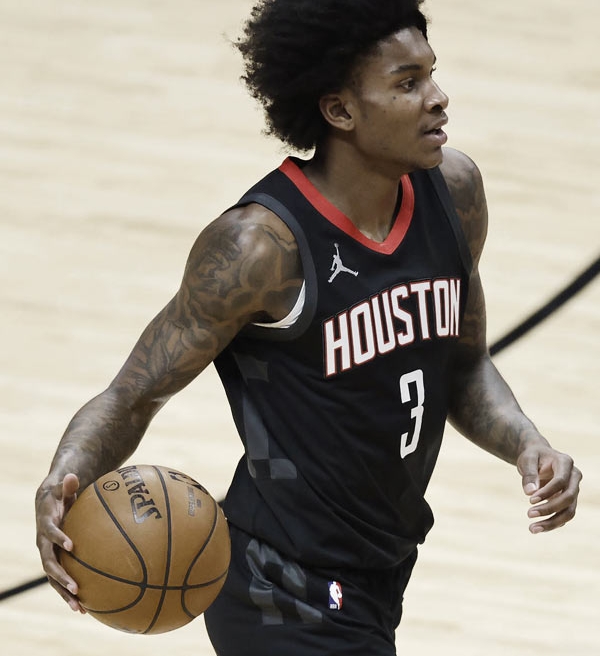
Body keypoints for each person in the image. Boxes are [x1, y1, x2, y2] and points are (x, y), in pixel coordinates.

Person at [35, 1, 582, 654]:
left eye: (433, 74)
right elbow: (133, 393)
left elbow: (462, 366)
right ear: (340, 110)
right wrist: (63, 477)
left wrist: (528, 446)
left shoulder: (454, 192)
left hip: (379, 573)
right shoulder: (260, 248)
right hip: (280, 588)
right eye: (408, 82)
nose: (438, 98)